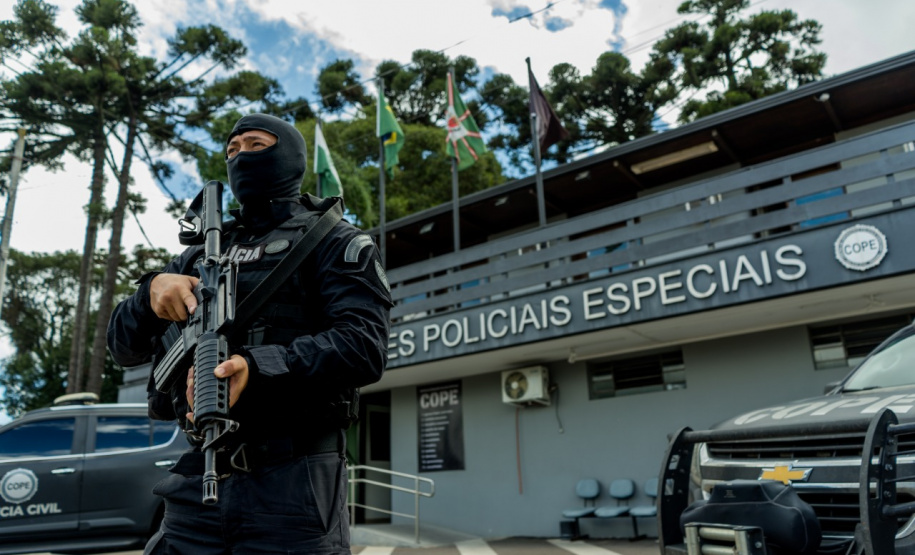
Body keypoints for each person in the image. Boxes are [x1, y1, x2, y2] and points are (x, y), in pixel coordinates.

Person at [107, 113, 392, 554]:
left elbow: (363, 346)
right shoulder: (197, 255)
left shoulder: (333, 239)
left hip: (293, 483)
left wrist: (256, 366)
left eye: (256, 145)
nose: (240, 156)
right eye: (231, 151)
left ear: (291, 158)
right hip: (197, 478)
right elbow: (122, 350)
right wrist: (149, 293)